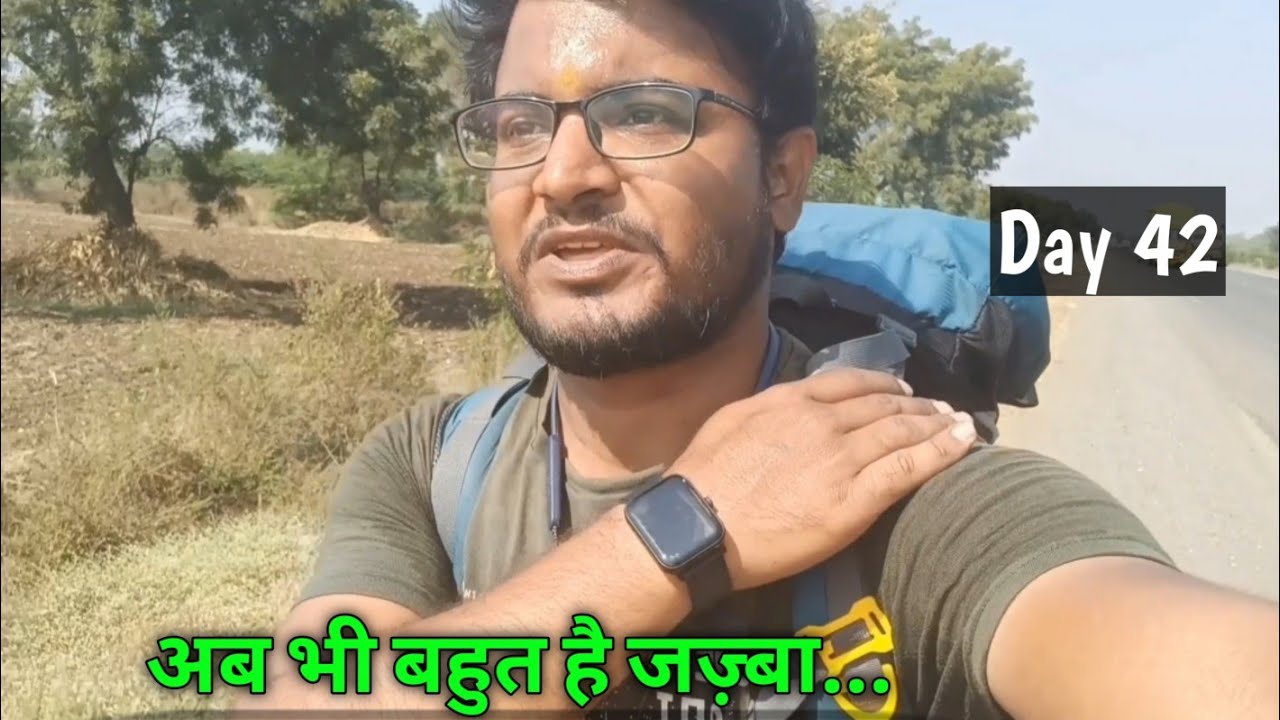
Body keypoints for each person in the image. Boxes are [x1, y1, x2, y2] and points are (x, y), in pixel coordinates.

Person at [237, 1, 1279, 718]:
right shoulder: (431, 462)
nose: (560, 174)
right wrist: (682, 530)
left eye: (644, 112)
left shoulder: (905, 488)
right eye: (516, 125)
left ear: (782, 178)